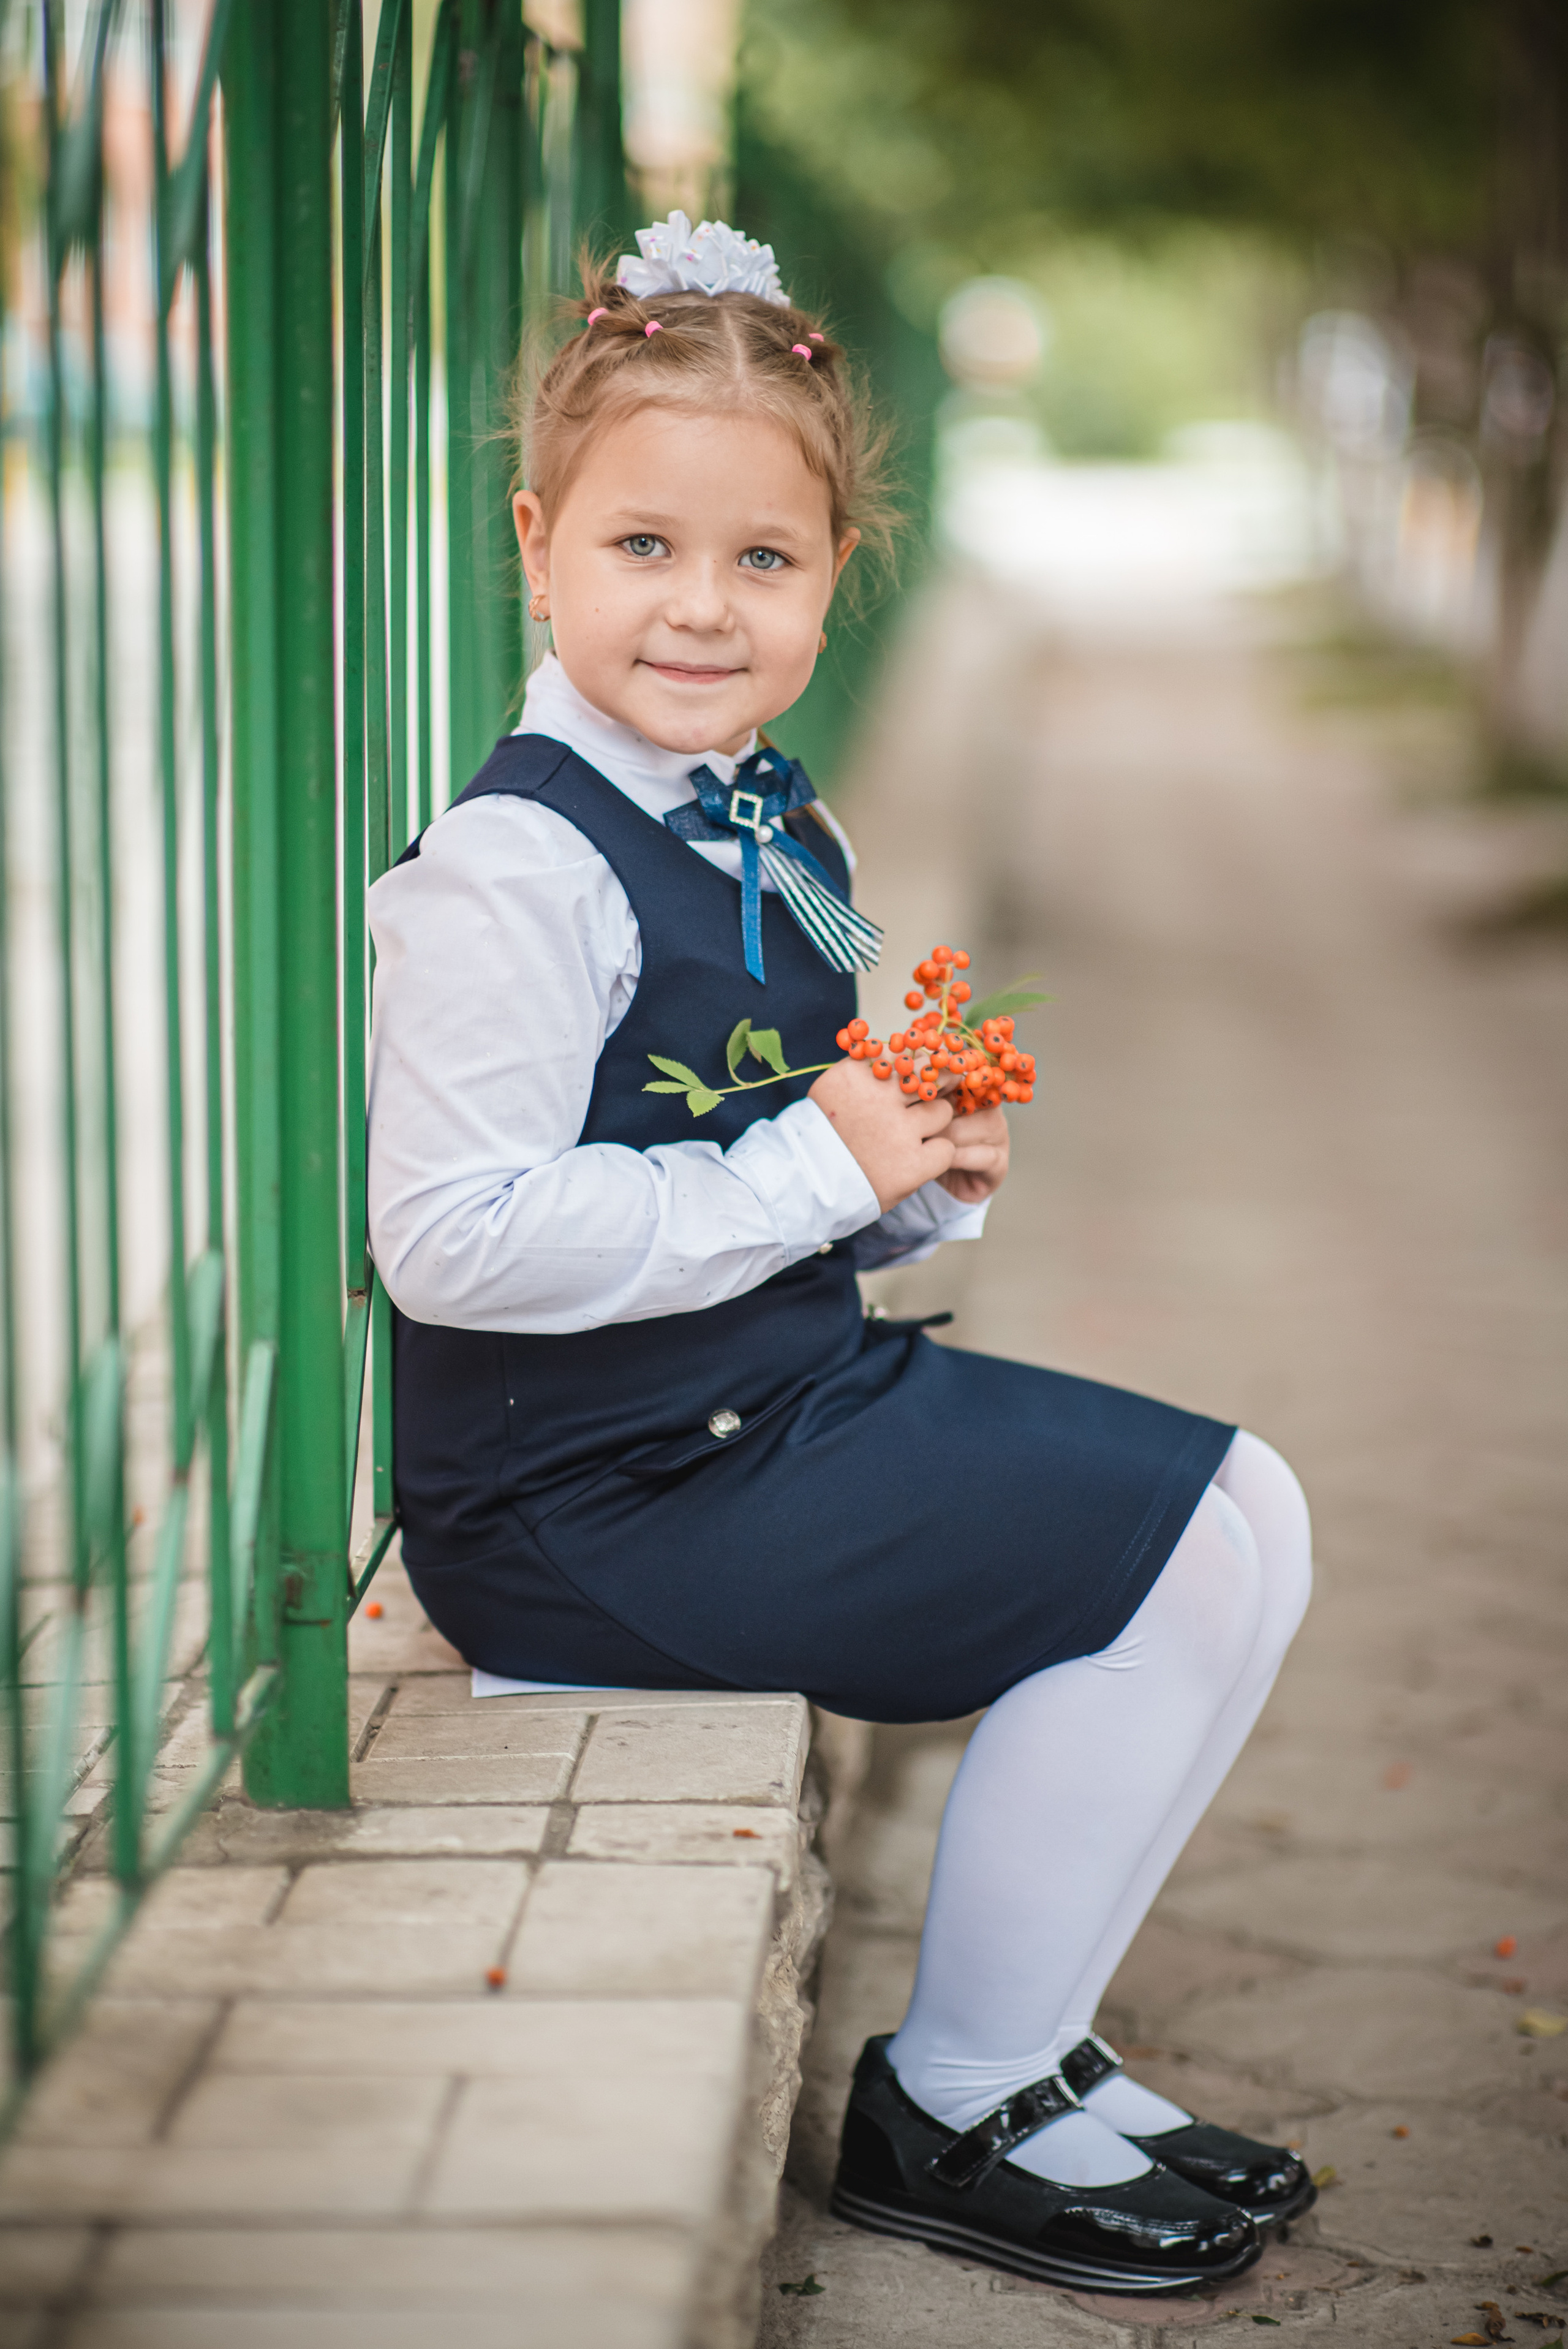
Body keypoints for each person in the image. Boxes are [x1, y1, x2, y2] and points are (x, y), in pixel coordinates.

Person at [366, 213, 1314, 2296]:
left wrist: (918, 1172)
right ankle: (952, 2099)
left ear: (831, 578)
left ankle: (1028, 2048)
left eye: (764, 561)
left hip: (761, 1398)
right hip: (583, 1499)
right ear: (538, 540)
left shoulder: (781, 824)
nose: (702, 607)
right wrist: (817, 1166)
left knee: (1251, 1511)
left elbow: (825, 1133)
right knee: (1175, 1557)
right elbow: (449, 1242)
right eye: (642, 548)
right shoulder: (515, 867)